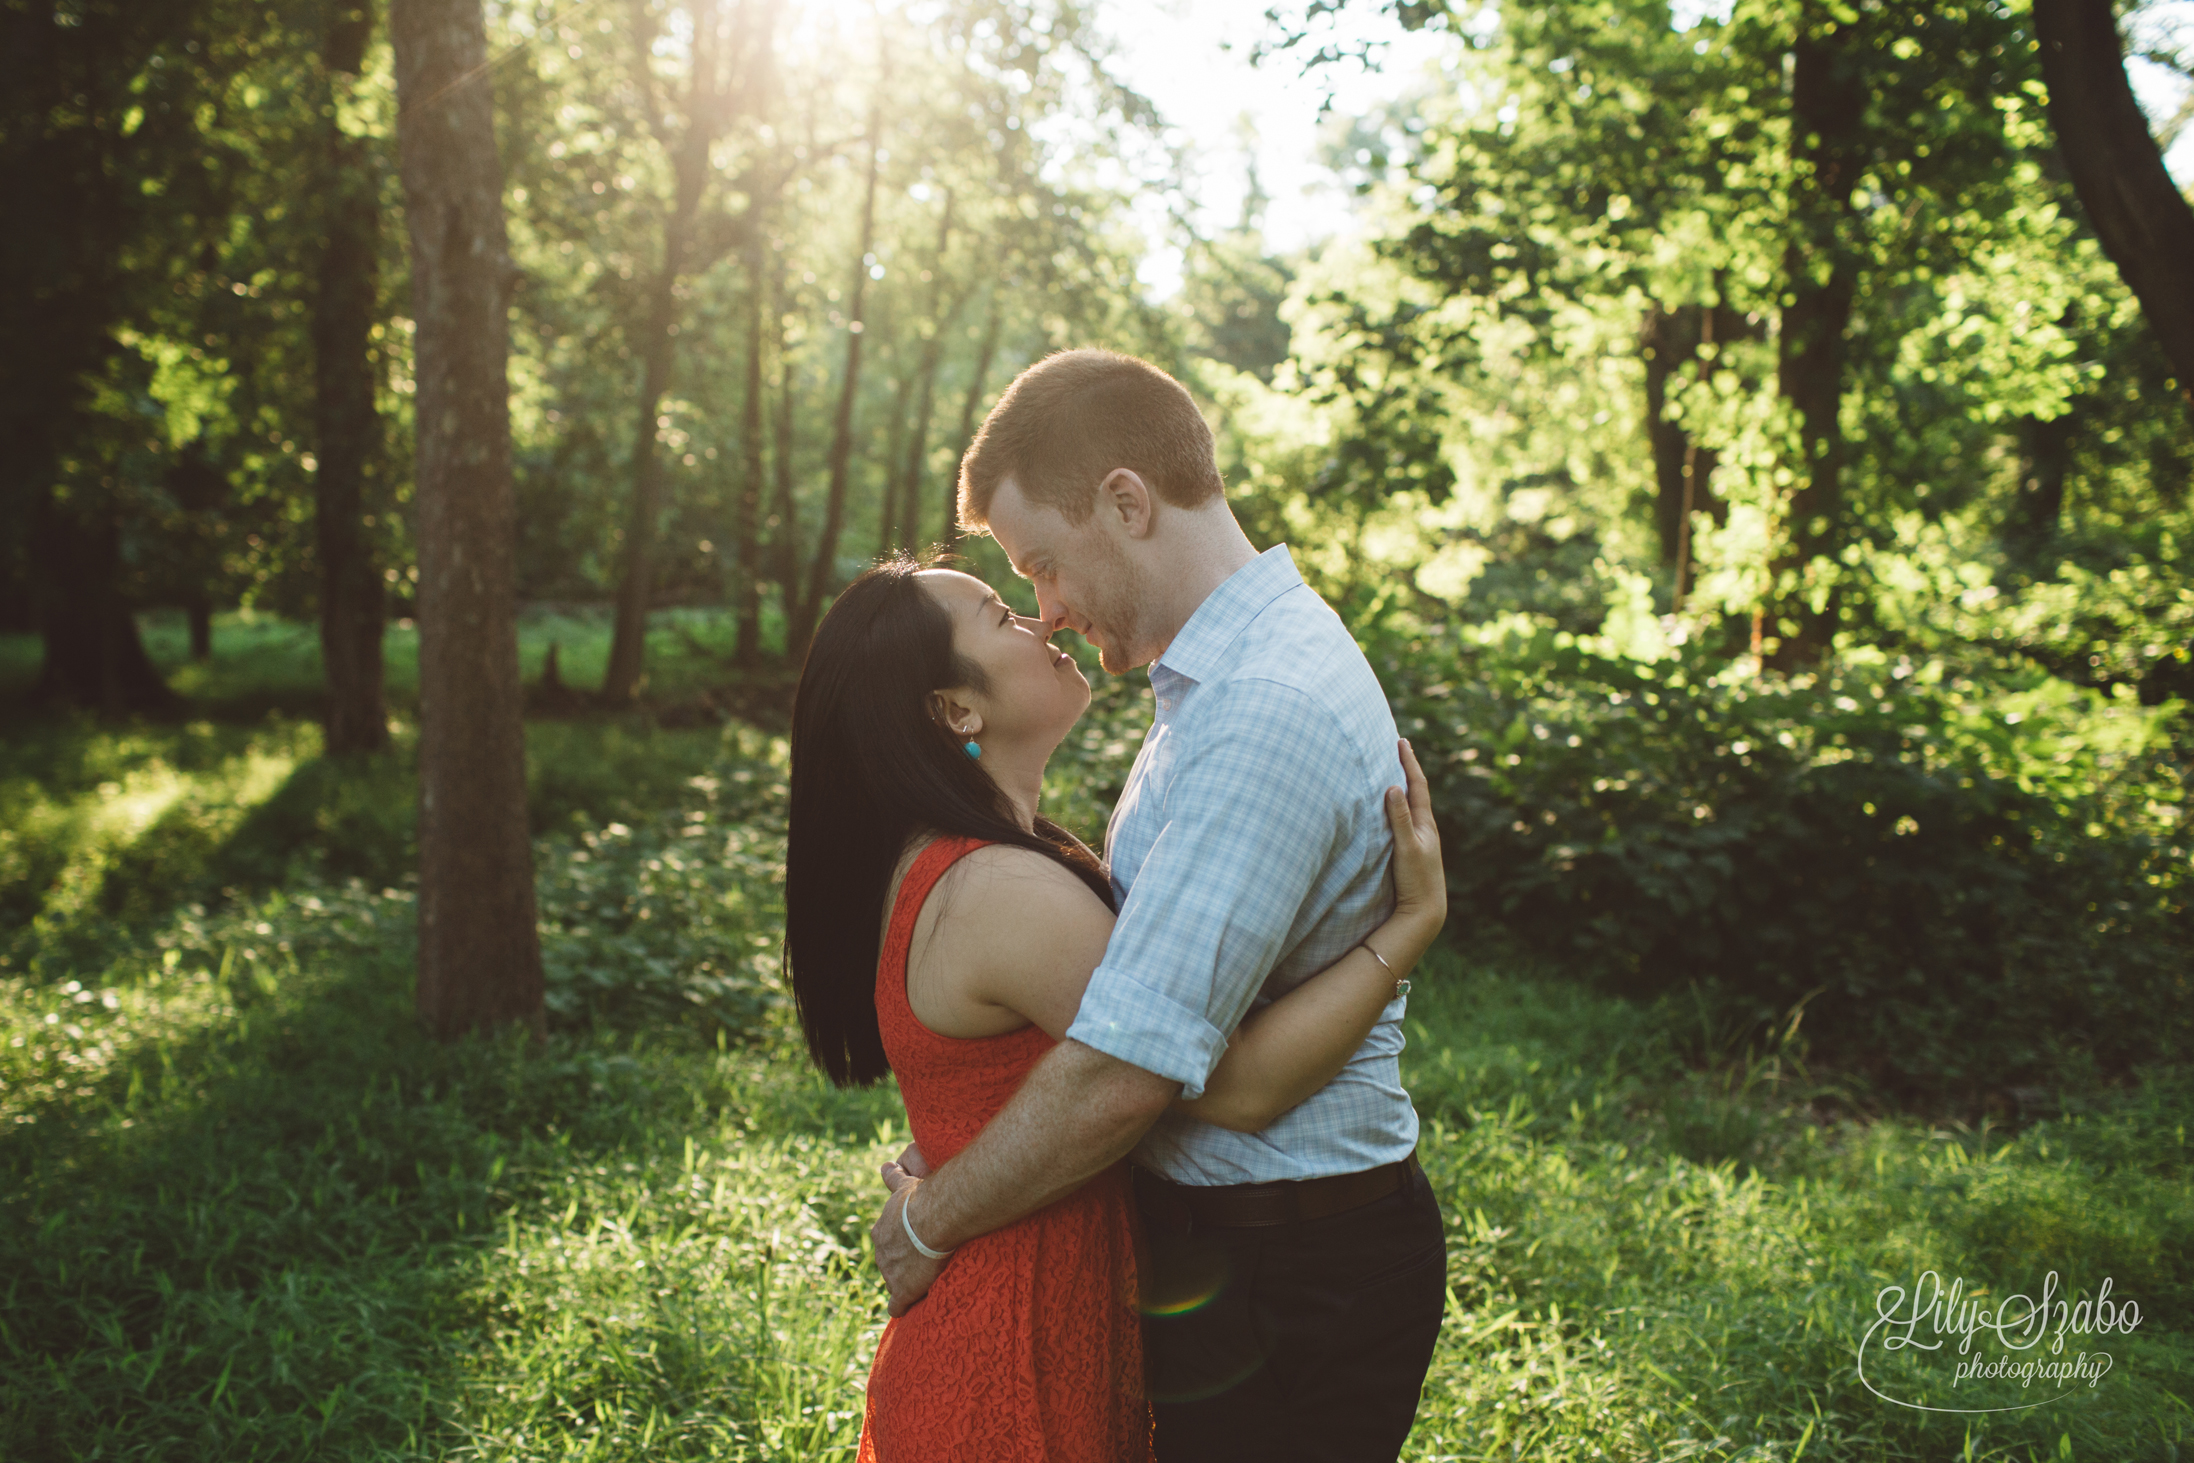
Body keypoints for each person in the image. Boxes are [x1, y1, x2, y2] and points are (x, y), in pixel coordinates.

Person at [866, 349, 1449, 1461]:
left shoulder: (1259, 709)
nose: (1044, 611)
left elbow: (1136, 1065)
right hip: (1233, 1254)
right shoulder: (1206, 684)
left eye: (1040, 563)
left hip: (1292, 1281)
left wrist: (930, 1219)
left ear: (1126, 502)